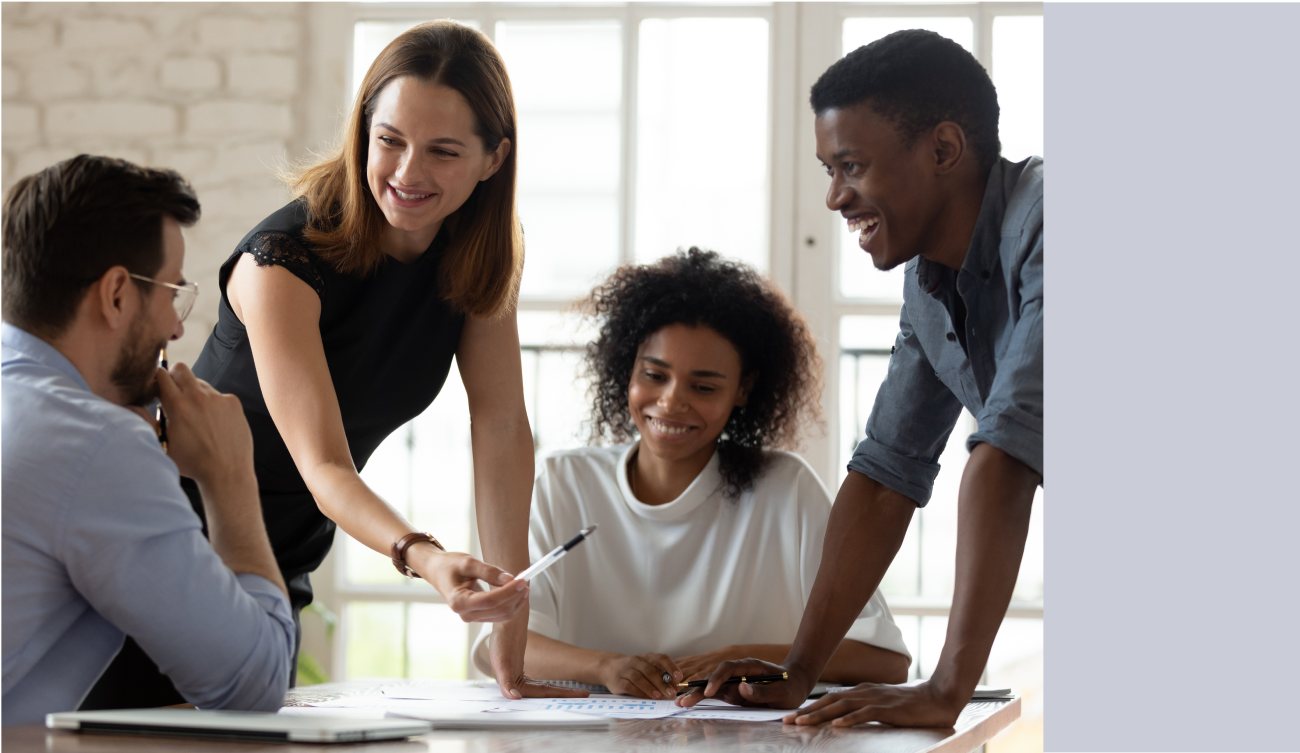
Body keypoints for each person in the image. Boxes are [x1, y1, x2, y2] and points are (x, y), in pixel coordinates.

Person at [81, 20, 577, 708]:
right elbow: (325, 468)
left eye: (442, 151)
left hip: (278, 562)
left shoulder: (477, 256)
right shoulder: (280, 260)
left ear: (493, 159)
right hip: (169, 544)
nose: (408, 173)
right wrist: (426, 556)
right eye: (390, 140)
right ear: (362, 130)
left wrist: (509, 652)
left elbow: (500, 431)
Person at [681, 30, 1043, 727]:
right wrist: (797, 671)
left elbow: (1004, 456)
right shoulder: (929, 281)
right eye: (827, 169)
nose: (833, 199)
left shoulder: (1049, 217)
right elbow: (883, 477)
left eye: (850, 166)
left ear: (942, 149)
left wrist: (946, 688)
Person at [473, 249, 912, 699]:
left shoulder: (787, 489)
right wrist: (607, 667)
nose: (671, 402)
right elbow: (501, 648)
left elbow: (886, 659)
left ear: (743, 389)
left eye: (703, 387)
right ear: (627, 369)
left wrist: (742, 656)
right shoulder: (563, 484)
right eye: (654, 375)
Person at [1, 155, 295, 726]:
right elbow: (253, 682)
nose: (178, 328)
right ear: (116, 294)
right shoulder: (94, 444)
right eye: (171, 293)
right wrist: (230, 476)